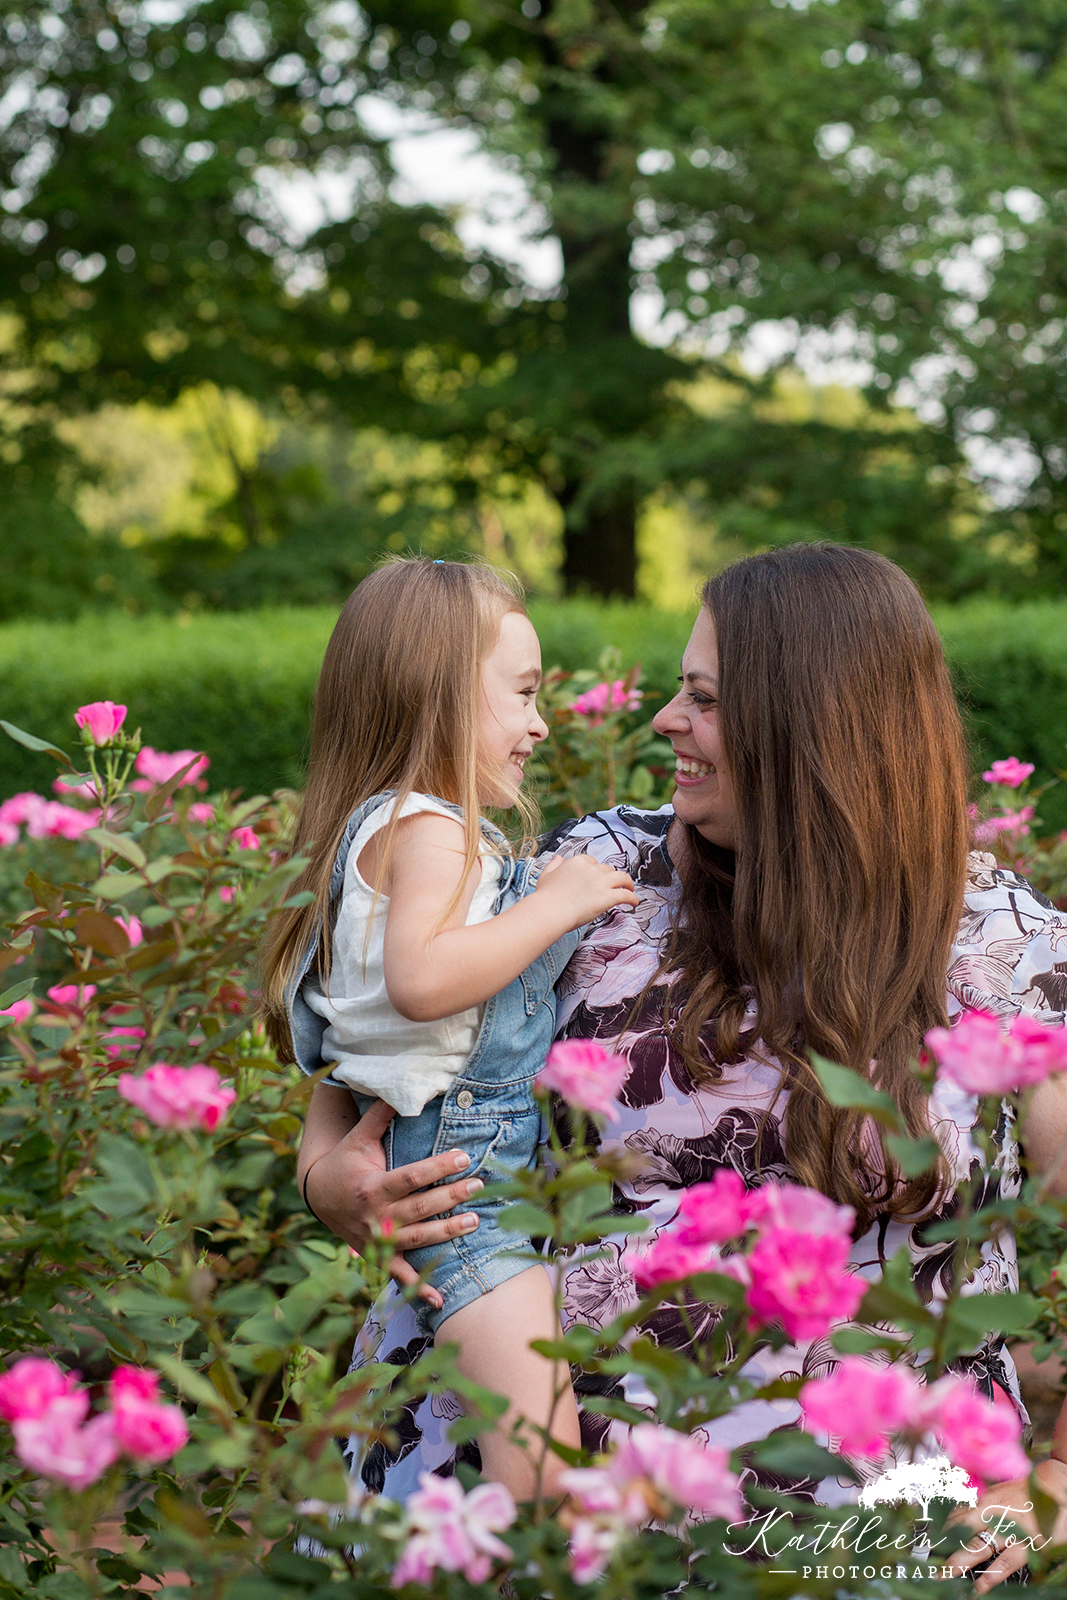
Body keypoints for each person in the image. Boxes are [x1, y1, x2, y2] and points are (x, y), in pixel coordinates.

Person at [295, 544, 1067, 1590]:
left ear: (811, 729)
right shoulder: (597, 873)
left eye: (701, 699)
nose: (661, 719)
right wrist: (327, 1172)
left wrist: (1046, 1481)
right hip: (485, 1492)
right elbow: (384, 1028)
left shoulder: (999, 950)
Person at [260, 557, 638, 1501]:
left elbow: (377, 1033)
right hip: (467, 1187)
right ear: (437, 699)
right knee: (542, 1466)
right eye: (521, 695)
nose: (540, 724)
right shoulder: (429, 830)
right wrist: (556, 907)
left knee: (531, 1447)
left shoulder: (378, 830)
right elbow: (425, 984)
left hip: (461, 1169)